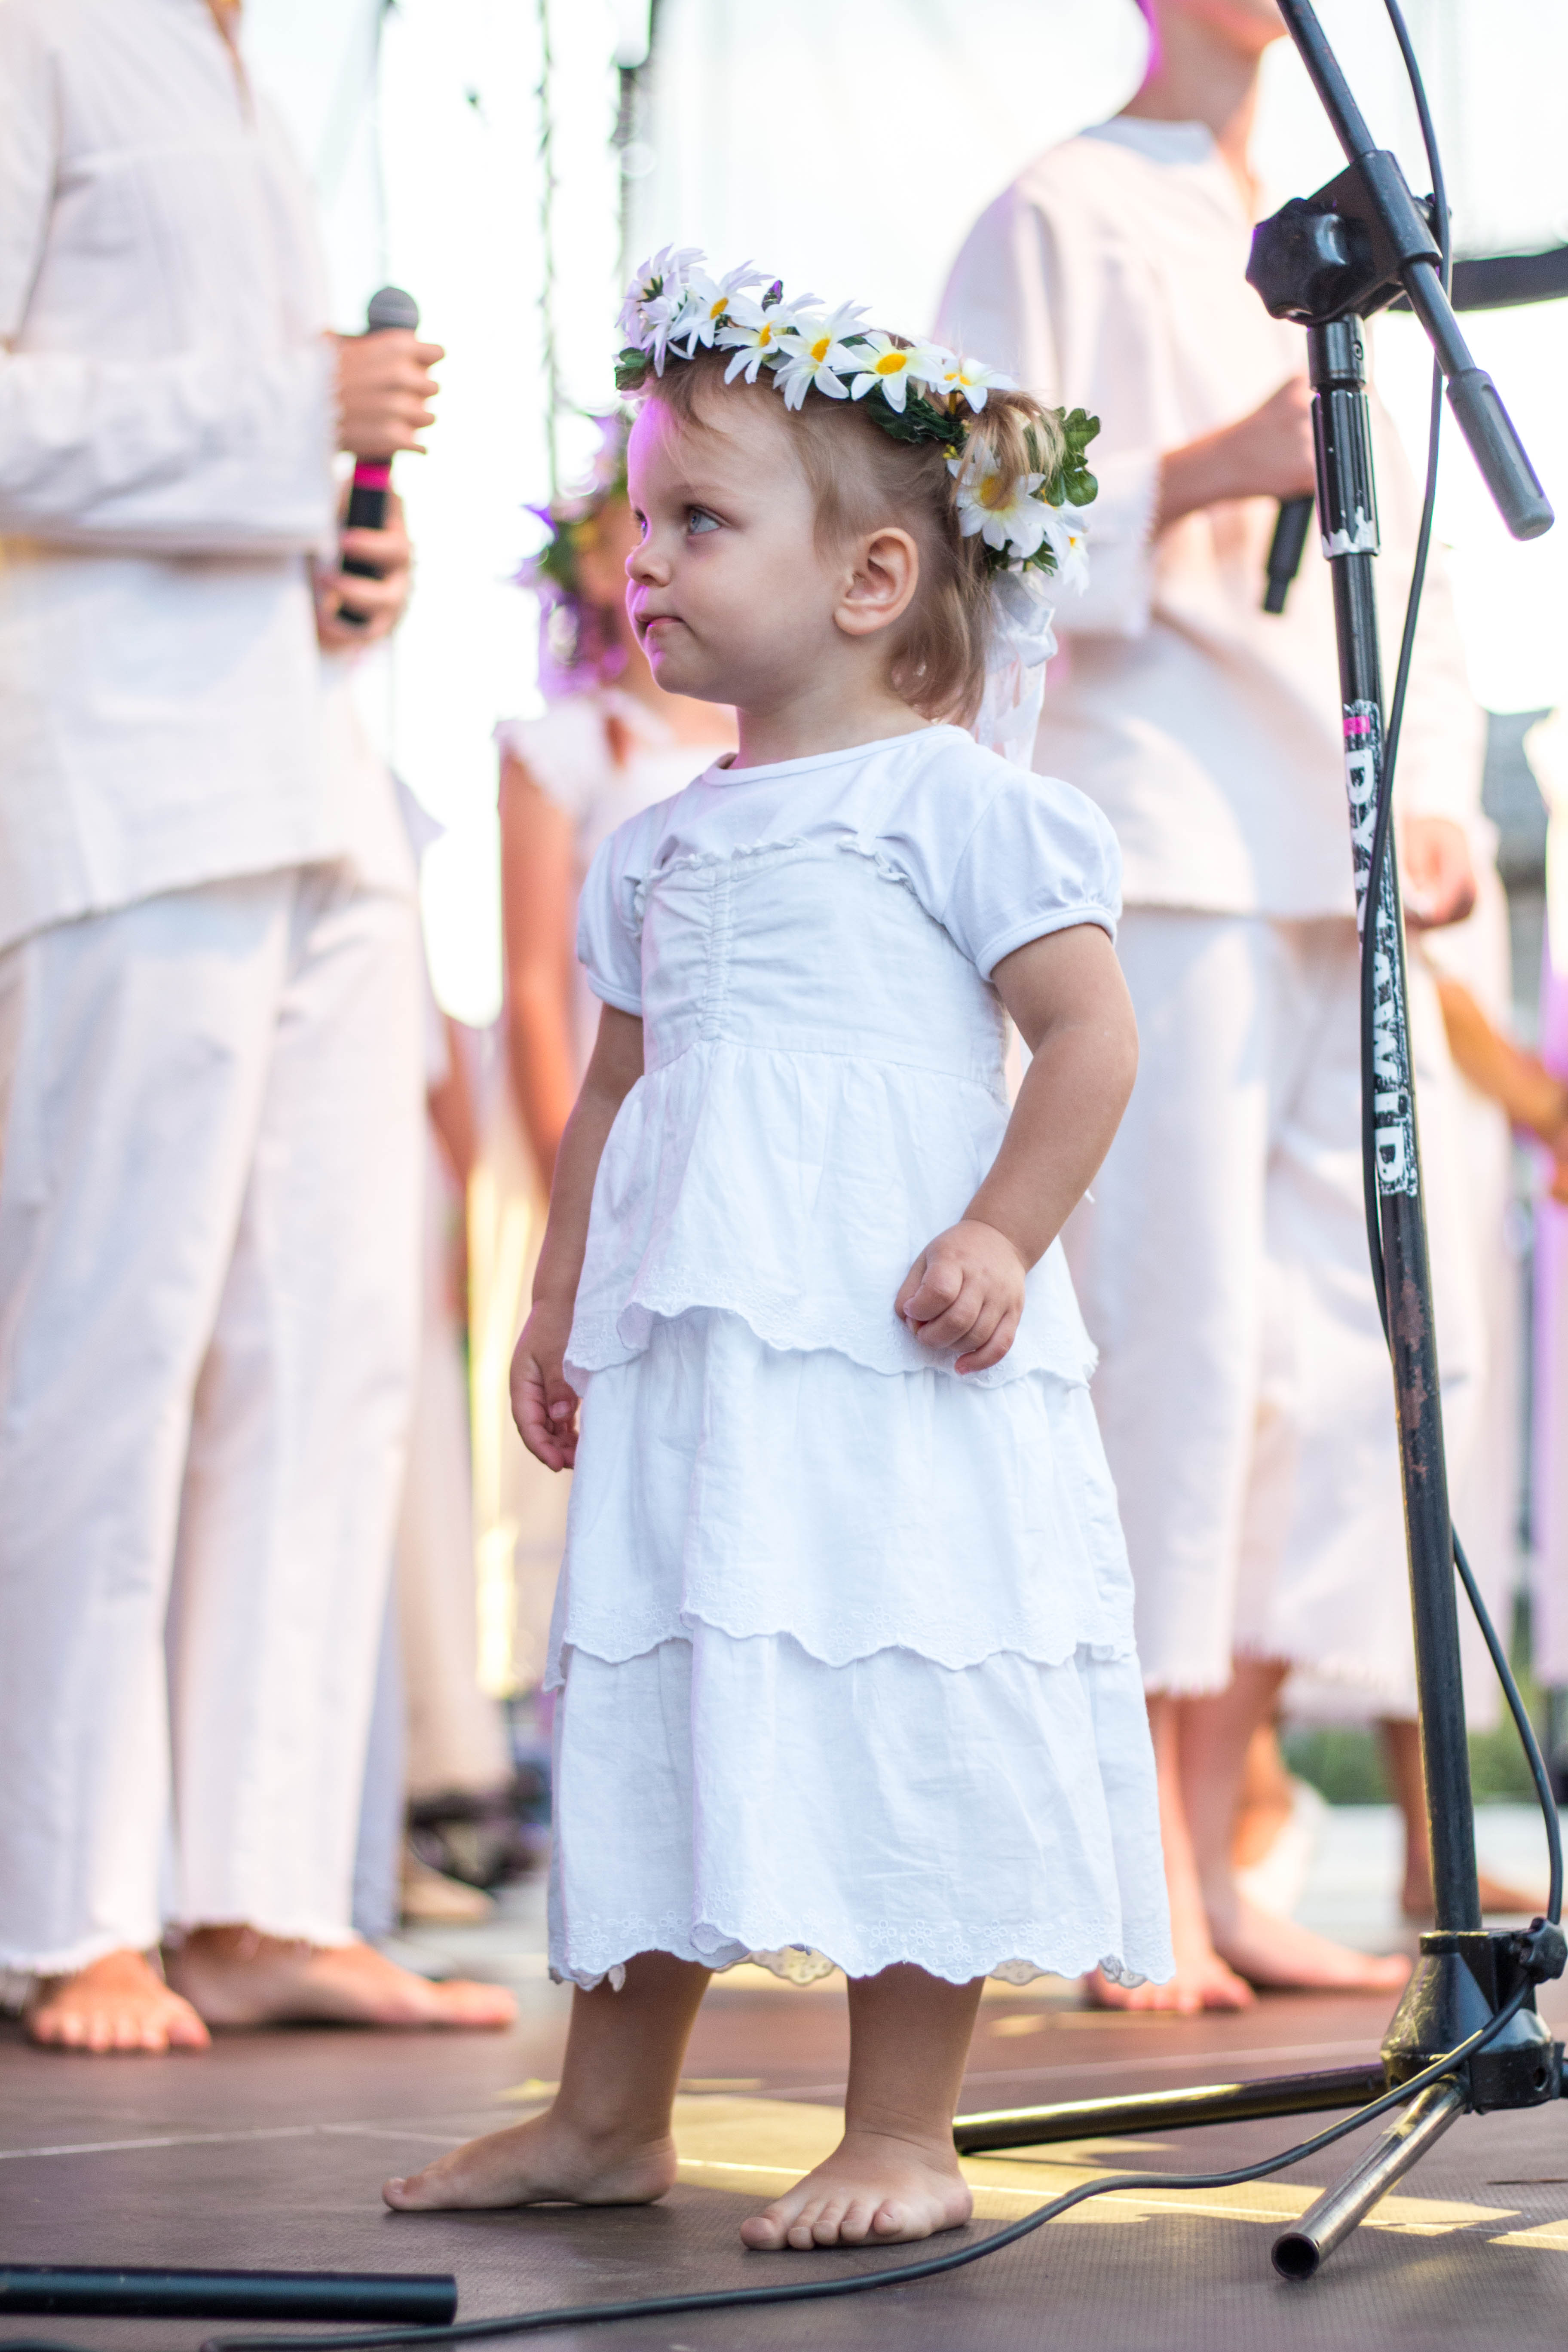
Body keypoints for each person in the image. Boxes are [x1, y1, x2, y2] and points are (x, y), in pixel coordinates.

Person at [380, 255, 1170, 2246]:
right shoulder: (655, 840)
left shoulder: (957, 807)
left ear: (875, 578)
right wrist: (554, 1301)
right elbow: (611, 1093)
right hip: (698, 1356)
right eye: (644, 517)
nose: (643, 558)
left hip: (893, 1348)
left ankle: (904, 2126)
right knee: (666, 1670)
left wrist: (1003, 1233)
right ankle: (606, 2112)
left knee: (901, 1665)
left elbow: (1090, 1037)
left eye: (699, 519)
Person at [936, 0, 1490, 2009]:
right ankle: (1134, 1856)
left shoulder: (1347, 225)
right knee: (1173, 1341)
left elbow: (1402, 556)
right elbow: (978, 525)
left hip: (1328, 837)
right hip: (1155, 829)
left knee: (1334, 1355)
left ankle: (1224, 1822)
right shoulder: (1056, 208)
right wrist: (1199, 470)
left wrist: (1434, 784)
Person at [0, 0, 511, 2049]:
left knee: (328, 1349)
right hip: (122, 780)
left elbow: (219, 447)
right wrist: (284, 404)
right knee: (110, 1348)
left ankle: (263, 1896)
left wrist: (338, 551)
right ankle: (67, 1910)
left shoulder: (244, 76)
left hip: (314, 769)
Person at [468, 430, 736, 1700]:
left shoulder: (764, 741)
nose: (649, 557)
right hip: (599, 1119)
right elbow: (533, 983)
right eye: (631, 526)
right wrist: (555, 1178)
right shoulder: (563, 748)